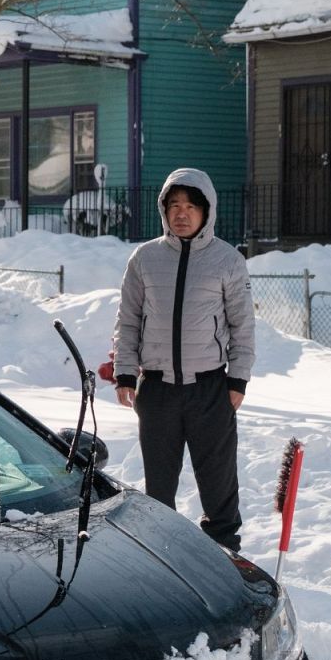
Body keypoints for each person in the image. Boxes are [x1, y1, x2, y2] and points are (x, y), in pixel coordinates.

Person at [113, 168, 255, 551]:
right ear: (163, 209)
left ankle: (225, 550)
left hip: (210, 387)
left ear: (206, 210)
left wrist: (237, 380)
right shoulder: (145, 258)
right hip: (157, 389)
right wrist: (126, 373)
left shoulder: (227, 260)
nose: (182, 213)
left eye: (191, 205)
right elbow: (127, 320)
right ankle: (165, 553)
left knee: (218, 479)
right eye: (174, 204)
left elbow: (243, 326)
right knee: (159, 483)